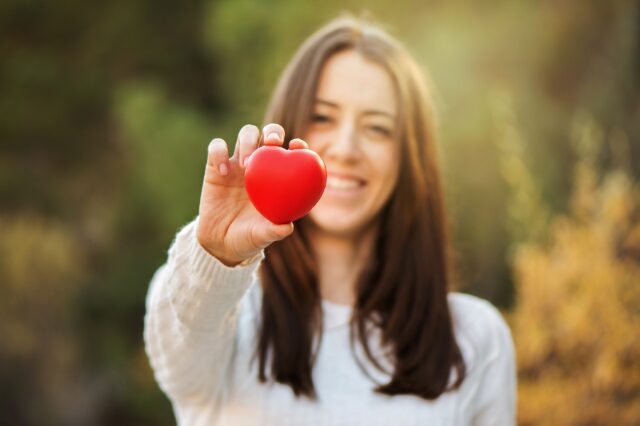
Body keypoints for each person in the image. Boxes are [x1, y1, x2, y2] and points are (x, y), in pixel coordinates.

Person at [144, 15, 516, 426]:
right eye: (323, 117)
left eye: (377, 128)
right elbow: (178, 355)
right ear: (289, 123)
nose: (346, 148)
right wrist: (216, 255)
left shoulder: (476, 340)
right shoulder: (216, 311)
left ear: (410, 158)